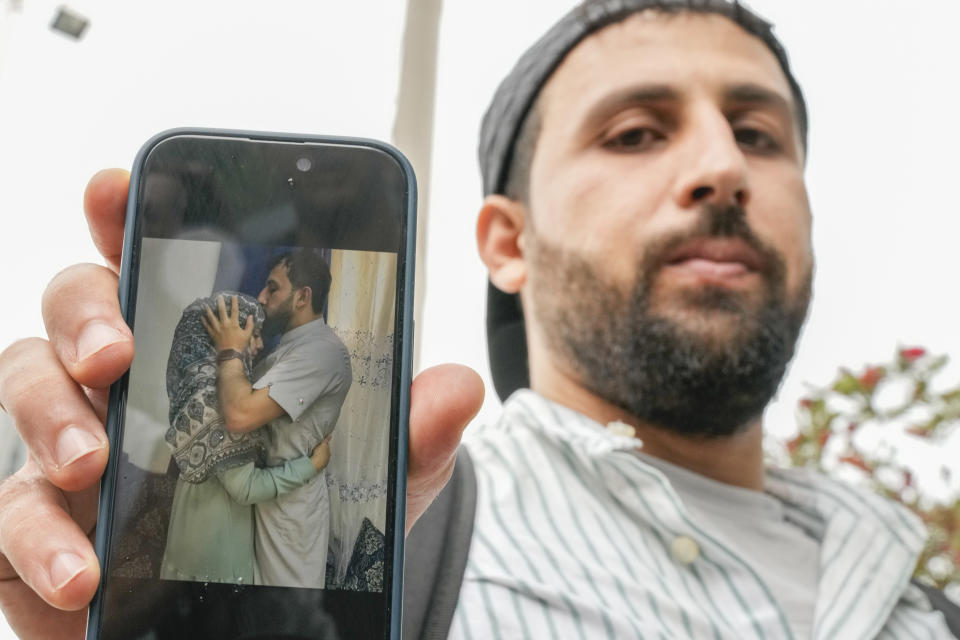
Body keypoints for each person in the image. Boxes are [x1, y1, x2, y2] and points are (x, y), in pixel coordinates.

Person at [0, 0, 953, 638]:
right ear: (505, 242)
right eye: (635, 133)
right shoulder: (413, 559)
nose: (723, 166)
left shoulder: (921, 596)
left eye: (759, 134)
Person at [201, 251, 352, 589]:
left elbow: (240, 414)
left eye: (273, 289)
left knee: (284, 618)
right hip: (256, 495)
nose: (261, 298)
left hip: (289, 516)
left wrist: (230, 352)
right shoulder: (286, 349)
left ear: (303, 296)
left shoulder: (321, 354)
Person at [160, 291, 332, 585]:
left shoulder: (193, 386)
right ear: (216, 337)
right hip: (221, 567)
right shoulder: (218, 405)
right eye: (251, 335)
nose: (260, 345)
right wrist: (312, 465)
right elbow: (247, 488)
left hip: (185, 552)